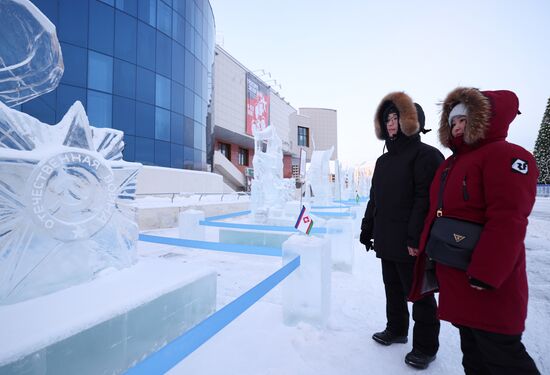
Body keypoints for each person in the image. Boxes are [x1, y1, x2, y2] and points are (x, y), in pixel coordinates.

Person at [409, 87, 540, 374]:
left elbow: (508, 220)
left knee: (503, 355)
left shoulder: (506, 156)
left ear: (483, 119)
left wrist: (486, 272)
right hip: (458, 276)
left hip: (487, 281)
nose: (456, 126)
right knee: (472, 351)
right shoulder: (452, 164)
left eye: (463, 119)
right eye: (452, 121)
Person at [360, 92, 444, 370]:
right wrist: (367, 228)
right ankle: (396, 329)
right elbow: (376, 199)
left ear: (412, 121)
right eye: (387, 119)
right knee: (392, 289)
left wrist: (415, 238)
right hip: (386, 239)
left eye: (396, 118)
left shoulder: (426, 155)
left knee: (419, 295)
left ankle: (425, 346)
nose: (391, 123)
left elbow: (425, 200)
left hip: (412, 242)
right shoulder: (383, 161)